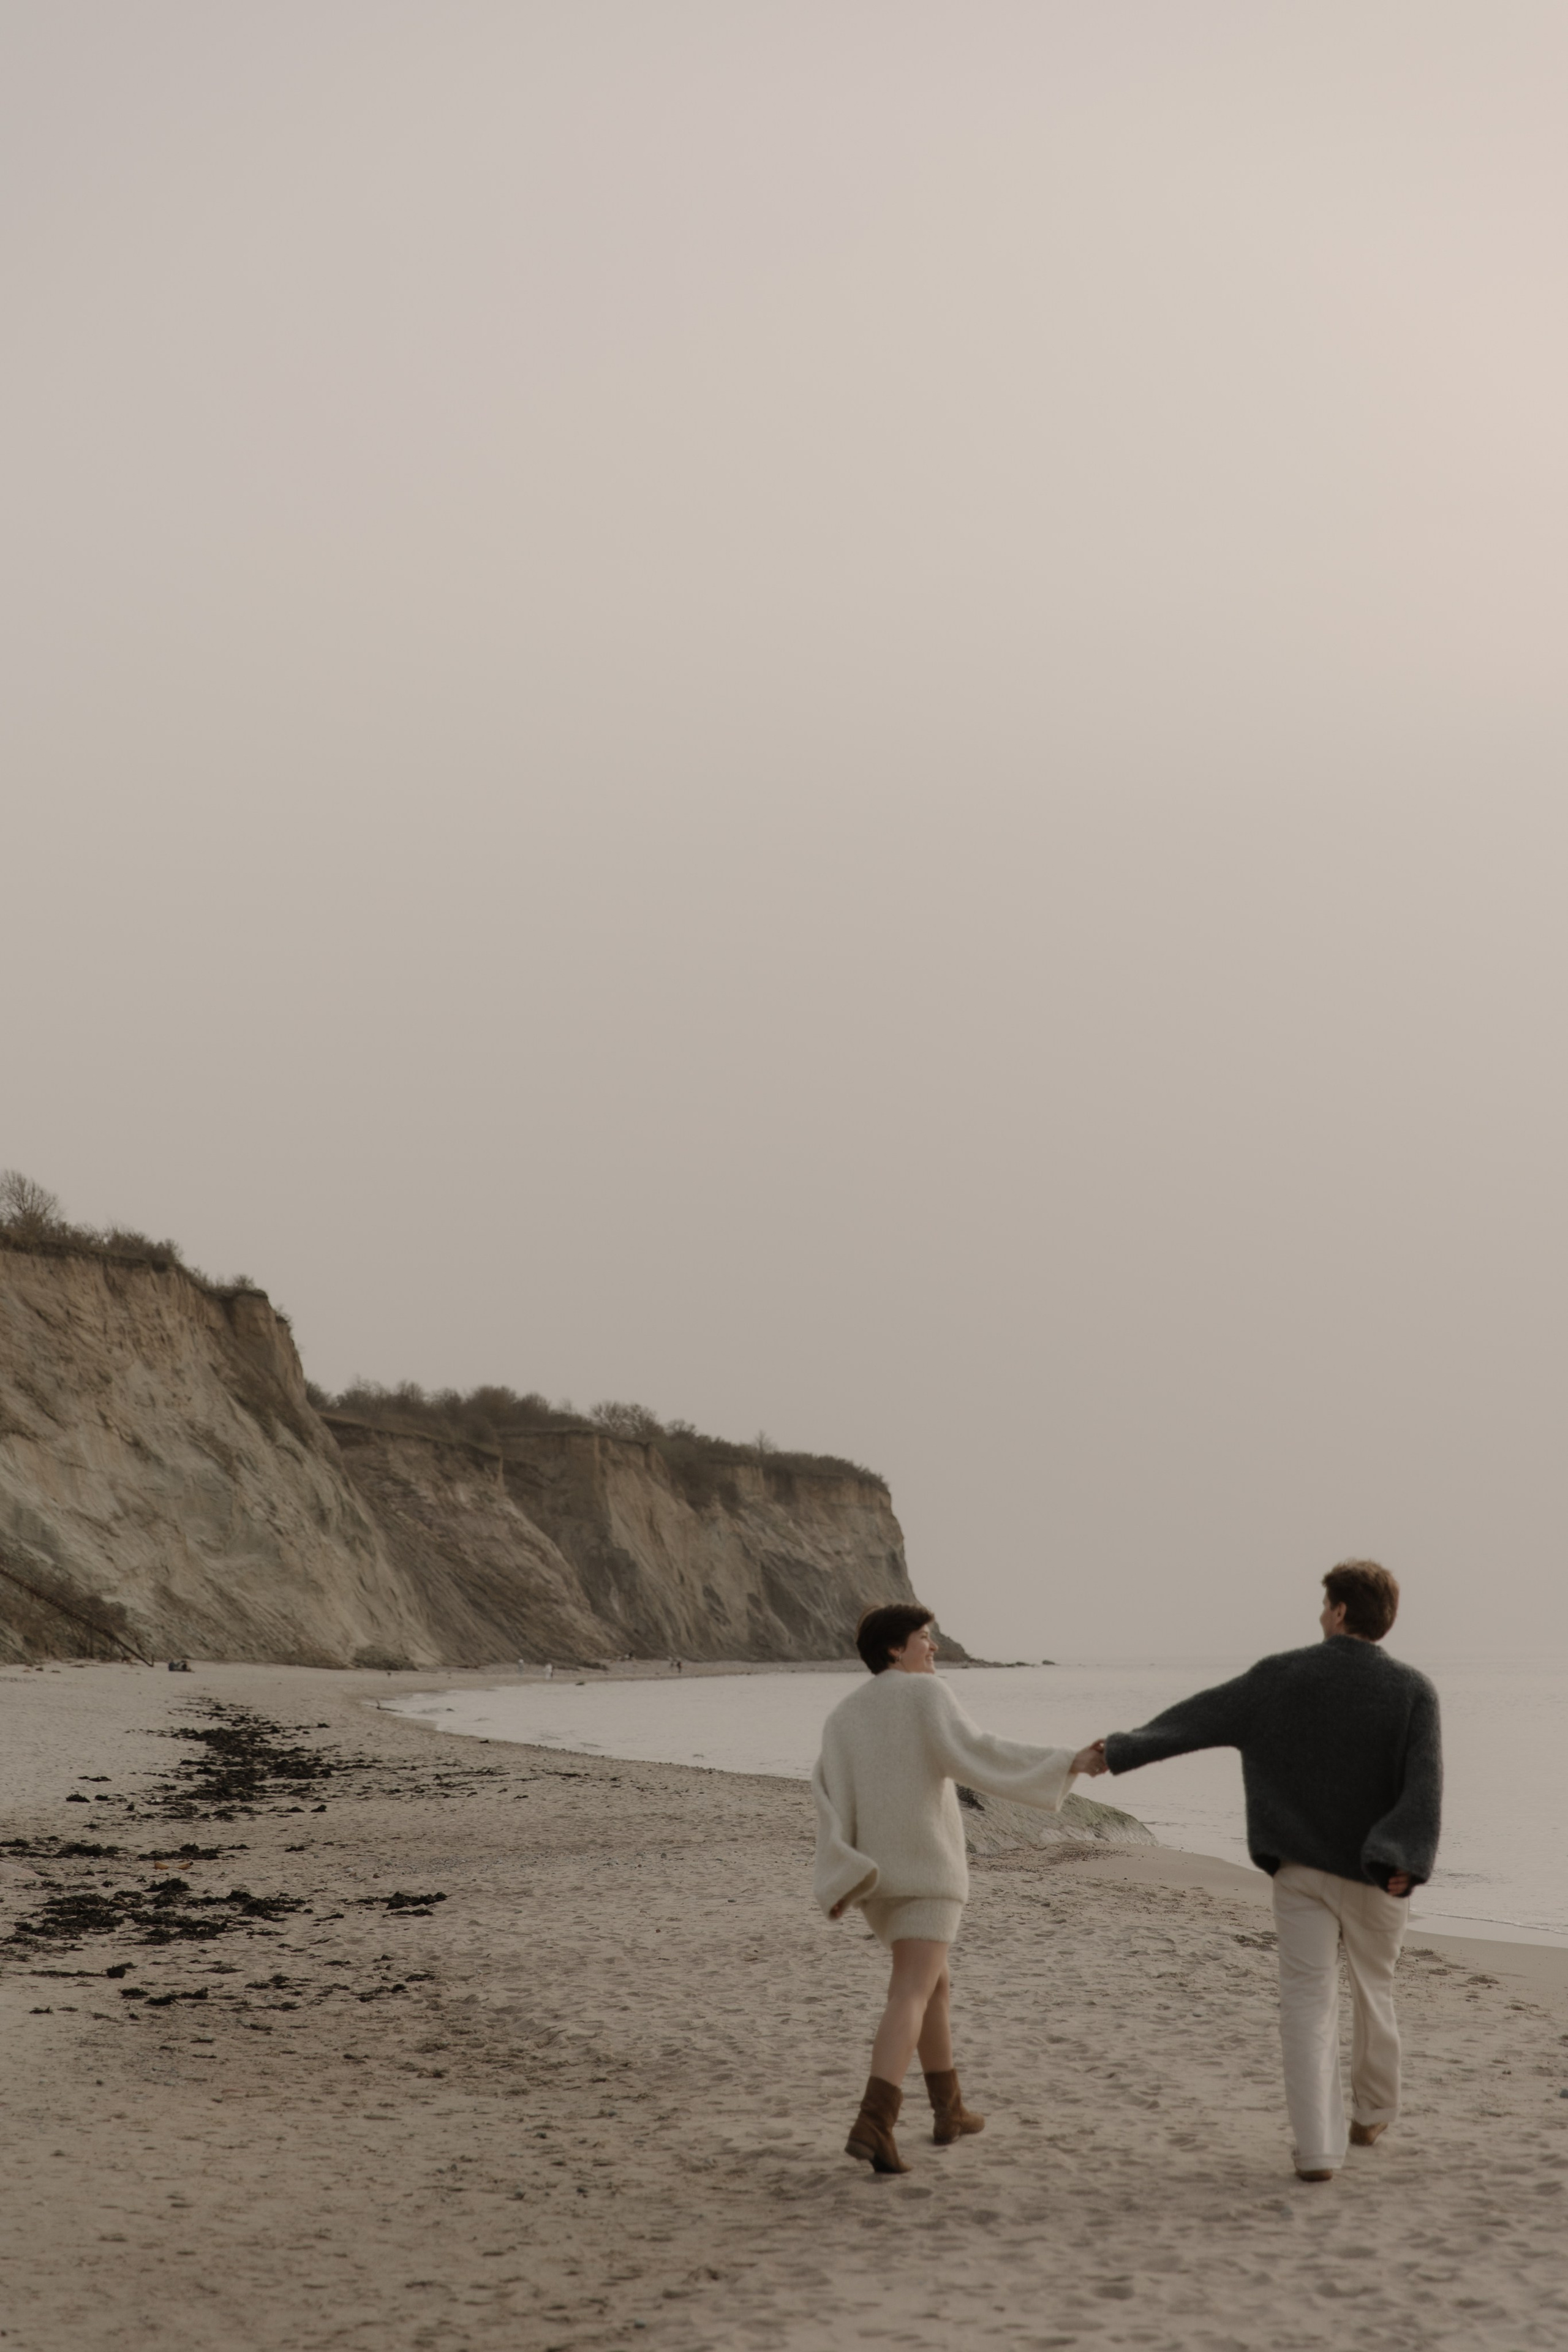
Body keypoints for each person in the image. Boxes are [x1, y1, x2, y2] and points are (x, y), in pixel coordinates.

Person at [1095, 1560, 1441, 2184]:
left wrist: (1117, 1750)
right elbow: (1423, 1789)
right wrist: (1403, 1857)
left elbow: (1195, 1720)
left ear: (1338, 1612)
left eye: (1323, 1604)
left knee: (1307, 2005)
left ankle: (1316, 2151)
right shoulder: (1413, 1690)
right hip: (1376, 1873)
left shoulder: (1280, 1677)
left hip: (1302, 1870)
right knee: (1373, 1990)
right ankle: (1373, 2112)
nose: (1319, 1614)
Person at [813, 1602, 1106, 2174]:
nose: (934, 1647)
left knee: (935, 1986)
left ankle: (950, 2109)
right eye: (924, 1637)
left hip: (877, 1879)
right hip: (927, 1873)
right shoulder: (927, 1695)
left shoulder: (844, 1715)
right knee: (911, 1992)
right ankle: (875, 2122)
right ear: (895, 1648)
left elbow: (827, 1792)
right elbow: (980, 1753)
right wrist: (1067, 1762)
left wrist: (843, 1872)